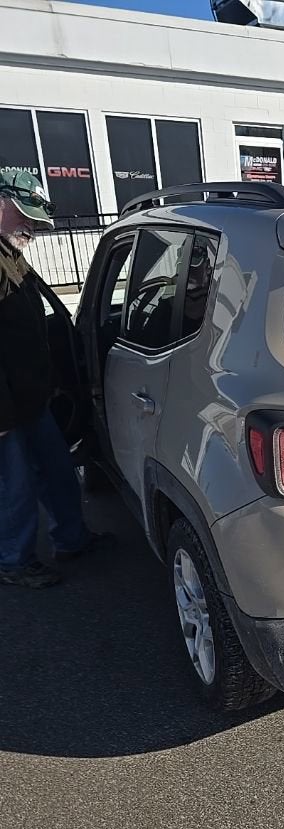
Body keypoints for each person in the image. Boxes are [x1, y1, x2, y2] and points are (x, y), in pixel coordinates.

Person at [0, 170, 112, 588]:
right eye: (24, 217)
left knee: (58, 469)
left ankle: (71, 538)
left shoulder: (9, 253)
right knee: (16, 487)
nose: (33, 228)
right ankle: (13, 561)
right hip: (6, 406)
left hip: (31, 395)